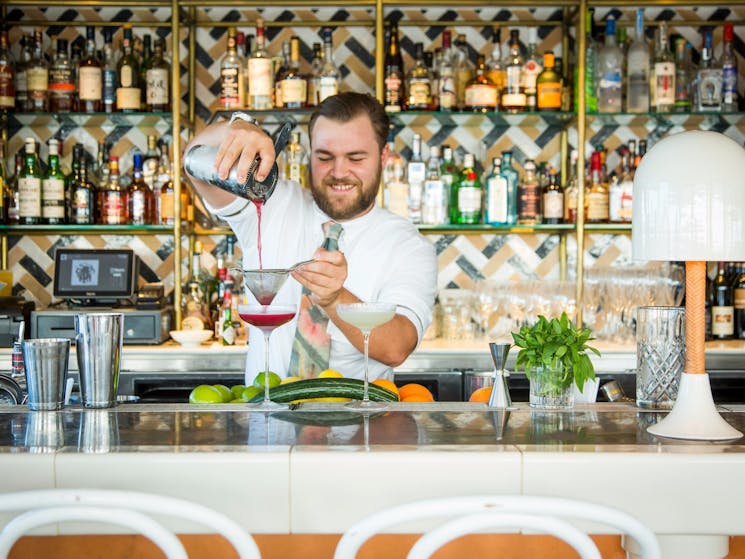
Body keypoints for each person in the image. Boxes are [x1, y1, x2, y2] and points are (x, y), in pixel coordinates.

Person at [185, 92, 437, 381]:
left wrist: (335, 299)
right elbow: (193, 164)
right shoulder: (269, 202)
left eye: (355, 158)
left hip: (360, 423)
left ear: (383, 156)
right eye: (324, 157)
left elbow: (397, 347)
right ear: (309, 153)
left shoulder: (408, 246)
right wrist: (237, 128)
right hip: (266, 418)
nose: (339, 172)